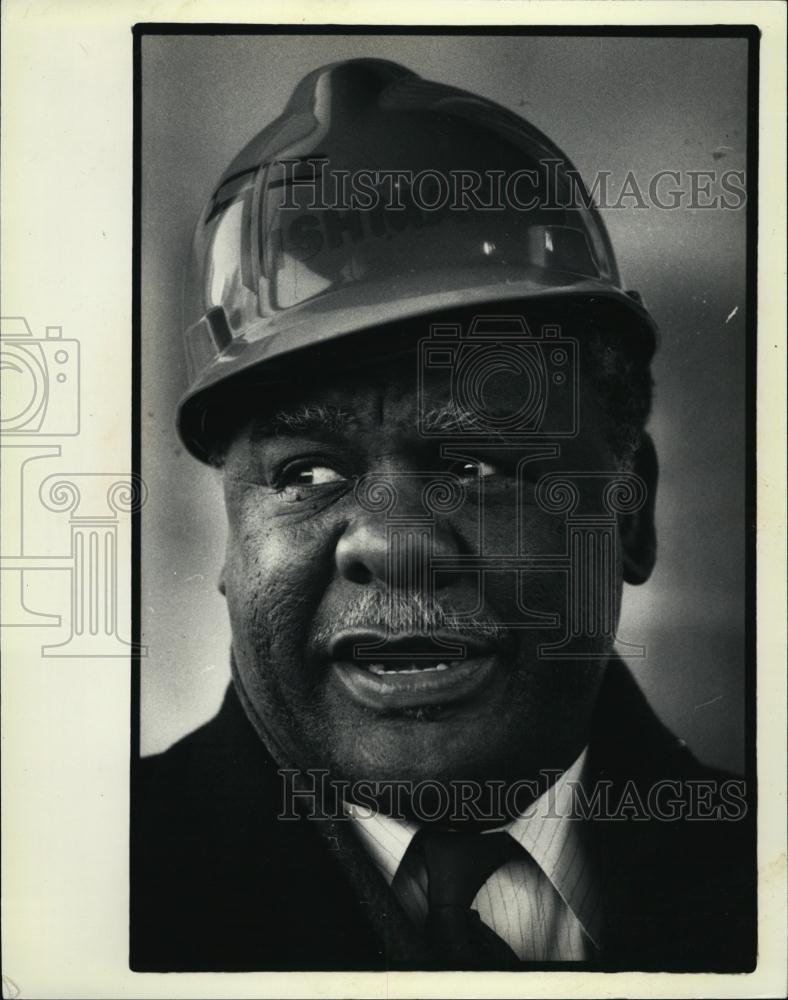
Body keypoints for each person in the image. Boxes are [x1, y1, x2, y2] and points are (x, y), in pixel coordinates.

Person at [131, 58, 755, 972]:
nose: (391, 544)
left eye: (476, 461)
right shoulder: (83, 886)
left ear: (628, 511)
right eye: (304, 473)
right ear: (231, 541)